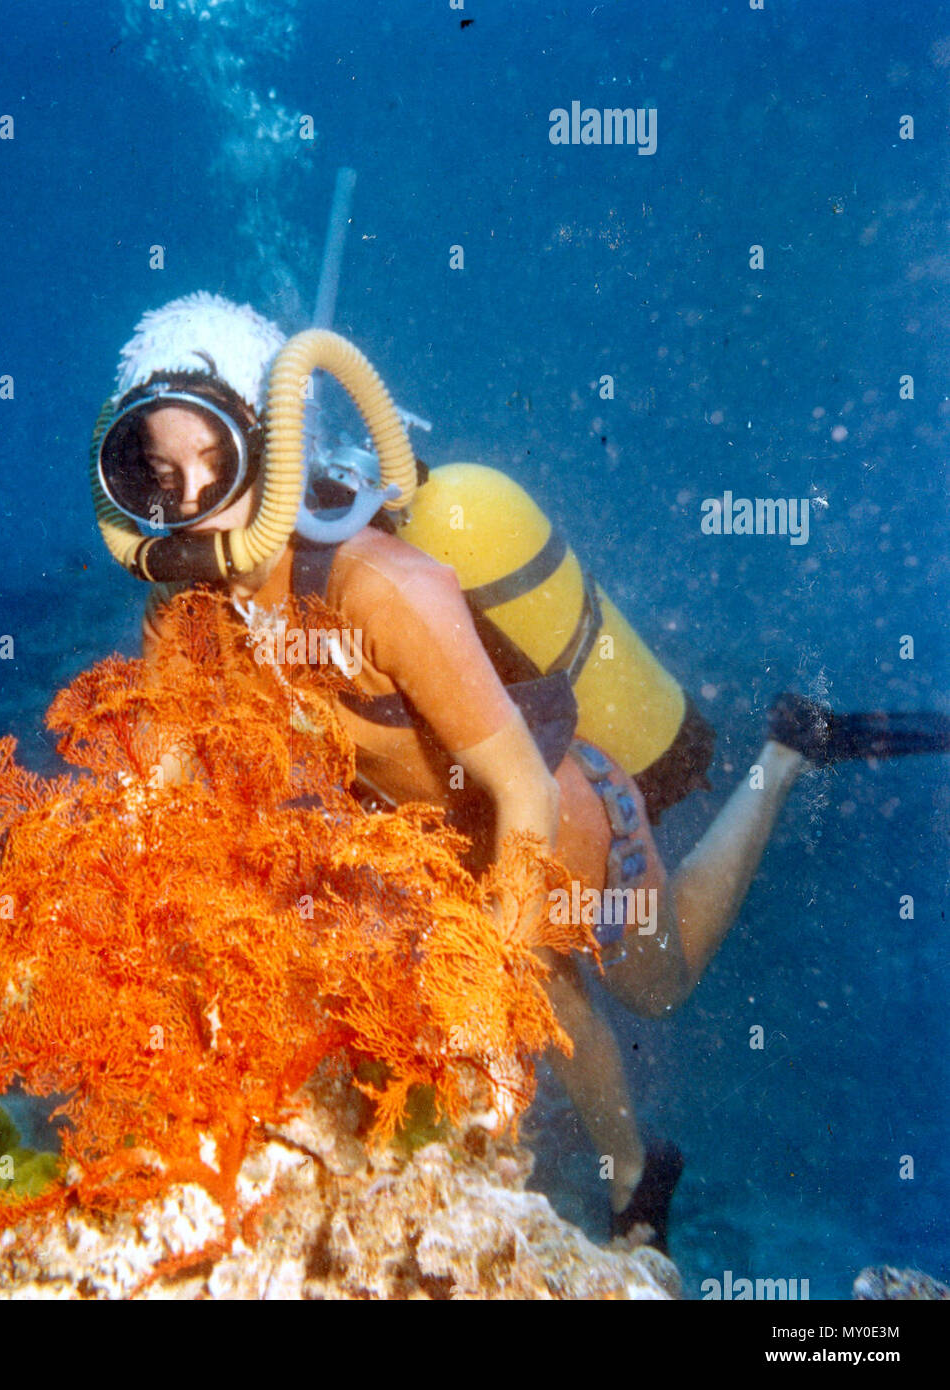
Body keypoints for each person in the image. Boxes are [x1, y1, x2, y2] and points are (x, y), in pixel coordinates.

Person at [90, 292, 950, 1252]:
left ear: (272, 452)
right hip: (445, 847)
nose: (194, 506)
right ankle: (636, 1171)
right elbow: (156, 800)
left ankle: (788, 751)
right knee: (552, 983)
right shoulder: (189, 623)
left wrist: (485, 998)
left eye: (218, 465)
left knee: (648, 986)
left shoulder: (380, 586)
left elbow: (525, 792)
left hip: (565, 814)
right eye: (161, 478)